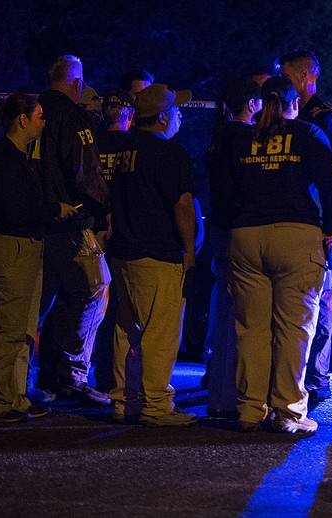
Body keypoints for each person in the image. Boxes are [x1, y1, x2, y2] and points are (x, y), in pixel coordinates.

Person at [220, 76, 332, 433]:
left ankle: (249, 408)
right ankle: (288, 411)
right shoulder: (307, 134)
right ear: (295, 103)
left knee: (251, 329)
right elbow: (330, 180)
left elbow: (225, 190)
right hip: (295, 234)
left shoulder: (243, 137)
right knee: (294, 328)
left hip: (246, 235)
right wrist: (331, 227)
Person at [0, 94, 77, 423]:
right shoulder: (6, 158)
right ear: (22, 119)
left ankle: (15, 397)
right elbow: (16, 210)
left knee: (21, 330)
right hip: (12, 247)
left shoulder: (17, 156)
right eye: (39, 116)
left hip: (24, 246)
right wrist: (54, 210)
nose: (43, 122)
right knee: (8, 330)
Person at [107, 83, 198, 426]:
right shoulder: (169, 152)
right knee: (160, 333)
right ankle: (157, 406)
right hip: (157, 254)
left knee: (127, 330)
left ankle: (123, 400)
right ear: (162, 117)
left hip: (124, 252)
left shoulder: (125, 150)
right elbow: (183, 206)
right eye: (176, 111)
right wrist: (189, 250)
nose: (179, 116)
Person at [33, 55, 112, 405]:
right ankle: (72, 375)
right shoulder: (71, 116)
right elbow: (85, 173)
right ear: (77, 84)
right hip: (70, 224)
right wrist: (103, 210)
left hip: (34, 224)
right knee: (95, 289)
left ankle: (42, 376)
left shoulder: (31, 115)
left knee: (44, 302)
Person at [277, 49, 332, 403]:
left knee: (321, 300)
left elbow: (331, 179)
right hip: (293, 222)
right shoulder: (287, 117)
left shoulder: (322, 119)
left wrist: (329, 226)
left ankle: (316, 377)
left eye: (285, 76)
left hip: (317, 225)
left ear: (304, 78)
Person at [203, 77, 263, 419]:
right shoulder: (245, 139)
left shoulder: (218, 139)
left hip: (218, 229)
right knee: (241, 314)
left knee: (224, 311)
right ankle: (232, 396)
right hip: (239, 229)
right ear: (252, 106)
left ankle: (217, 395)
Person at [91, 89, 137, 393]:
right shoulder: (133, 147)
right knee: (122, 307)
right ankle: (118, 377)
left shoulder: (92, 144)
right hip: (123, 232)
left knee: (93, 305)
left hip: (92, 231)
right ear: (130, 117)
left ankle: (98, 372)